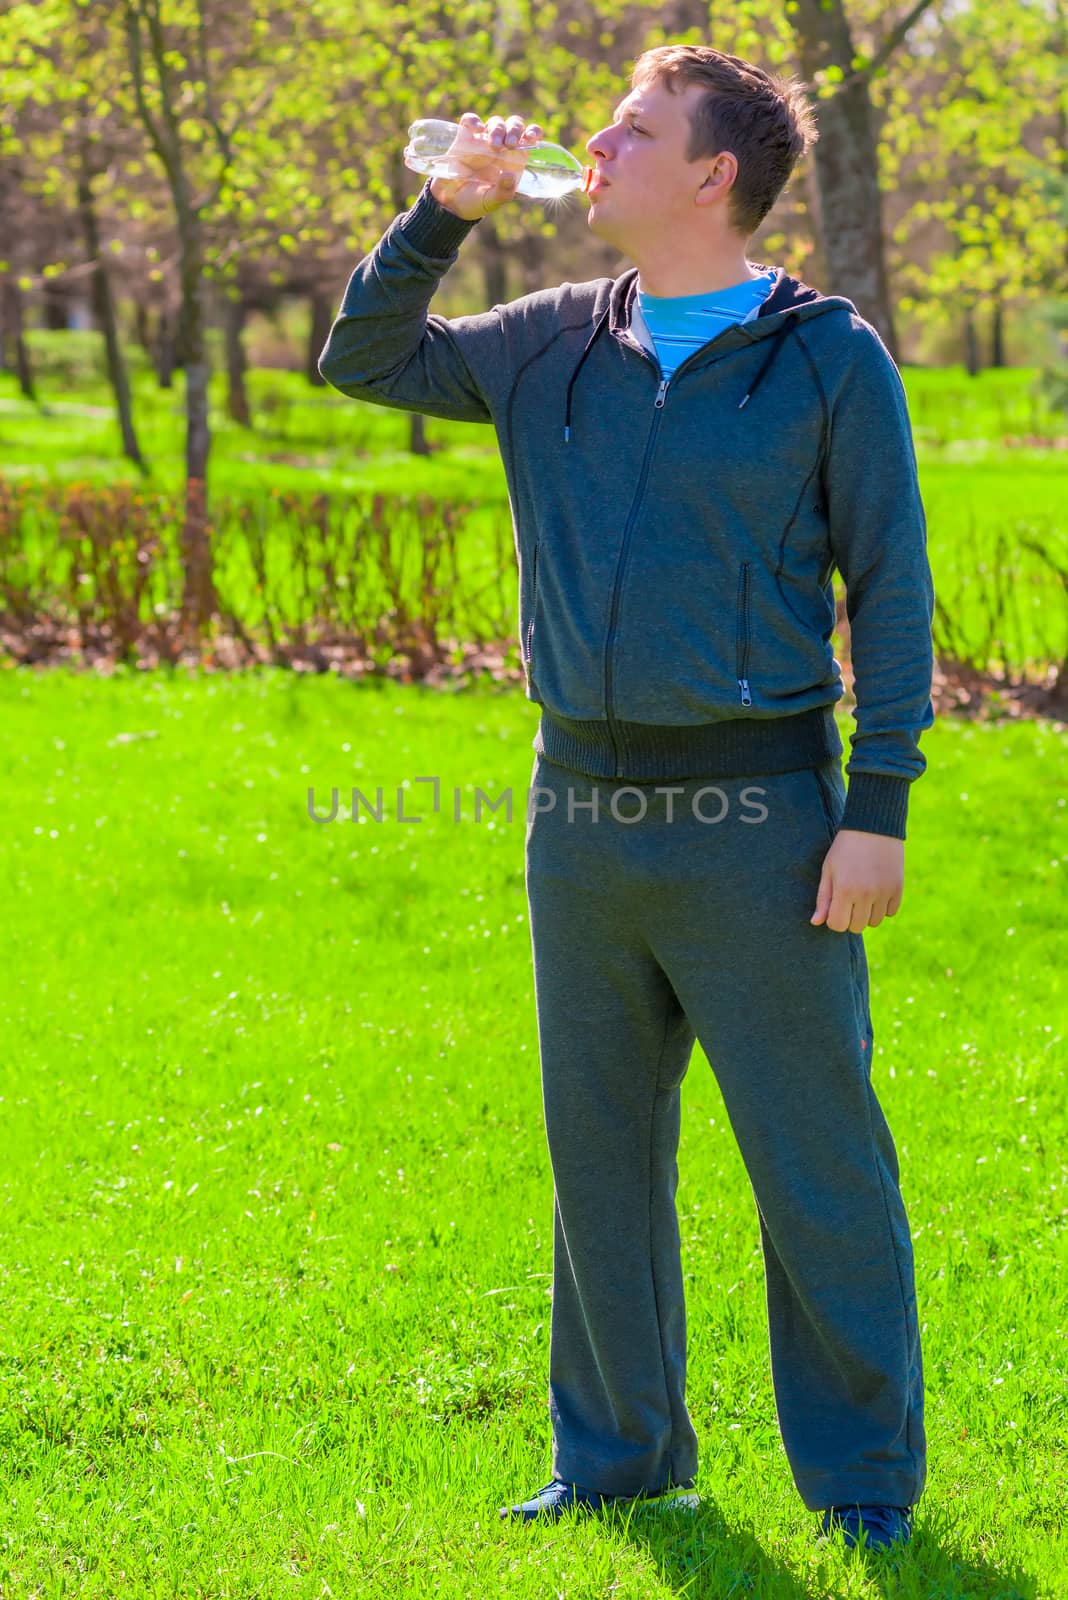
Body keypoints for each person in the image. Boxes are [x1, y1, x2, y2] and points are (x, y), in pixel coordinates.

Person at [318, 43, 933, 1553]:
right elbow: (366, 357)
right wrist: (442, 212)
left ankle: (861, 1483)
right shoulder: (547, 341)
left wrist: (881, 808)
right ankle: (619, 1461)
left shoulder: (825, 357)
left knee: (817, 1166)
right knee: (597, 1159)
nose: (592, 141)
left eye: (634, 127)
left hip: (765, 827)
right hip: (578, 822)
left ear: (713, 176)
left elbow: (896, 593)